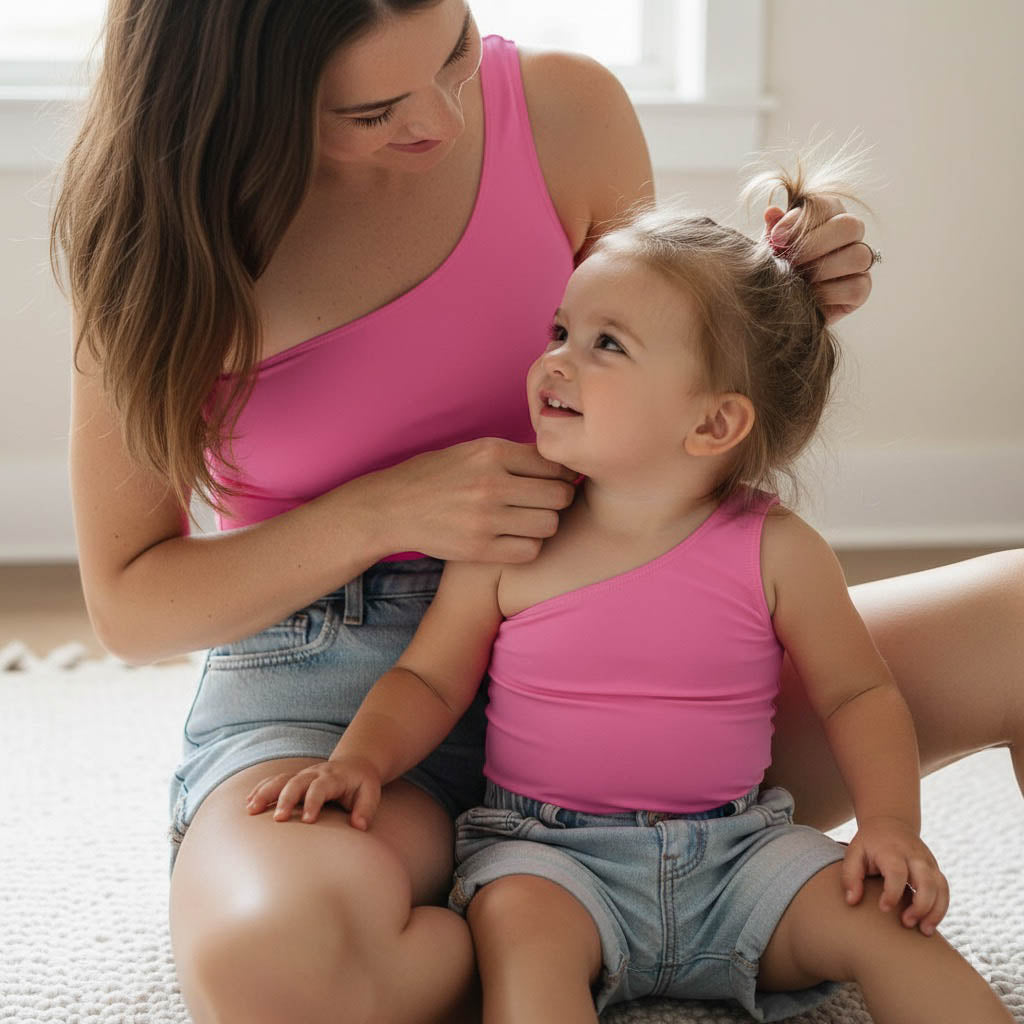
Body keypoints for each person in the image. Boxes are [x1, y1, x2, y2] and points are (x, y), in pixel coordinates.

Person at [52, 2, 1022, 1022]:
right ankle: (537, 928)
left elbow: (662, 374)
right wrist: (385, 511)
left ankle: (569, 927)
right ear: (240, 102)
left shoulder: (565, 111)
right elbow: (131, 607)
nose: (442, 119)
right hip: (337, 704)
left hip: (653, 689)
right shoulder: (156, 243)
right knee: (276, 970)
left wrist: (773, 313)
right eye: (373, 111)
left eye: (456, 52)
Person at [245, 167, 1014, 1021]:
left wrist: (890, 826)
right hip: (551, 858)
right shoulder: (515, 539)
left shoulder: (778, 550)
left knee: (889, 927)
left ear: (714, 423)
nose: (555, 361)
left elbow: (857, 693)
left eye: (605, 345)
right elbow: (427, 680)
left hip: (738, 851)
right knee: (520, 936)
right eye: (560, 331)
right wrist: (360, 763)